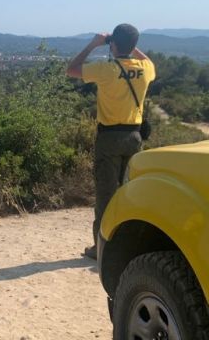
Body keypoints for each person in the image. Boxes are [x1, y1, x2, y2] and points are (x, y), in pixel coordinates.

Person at [66, 23, 155, 260]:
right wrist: (128, 45)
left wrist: (95, 43)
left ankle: (101, 248)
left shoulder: (106, 69)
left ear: (113, 44)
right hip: (135, 138)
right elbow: (141, 56)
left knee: (106, 195)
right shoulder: (147, 68)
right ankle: (128, 246)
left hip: (109, 138)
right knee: (129, 193)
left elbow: (72, 69)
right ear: (135, 45)